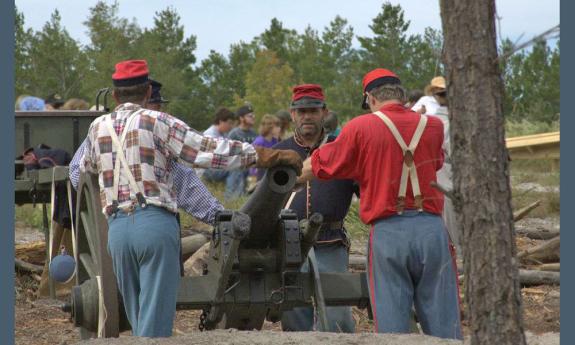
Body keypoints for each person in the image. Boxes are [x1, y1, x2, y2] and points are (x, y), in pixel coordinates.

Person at [78, 59, 302, 337]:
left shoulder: (97, 127)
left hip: (117, 230)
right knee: (156, 323)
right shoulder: (157, 121)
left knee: (137, 318)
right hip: (154, 224)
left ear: (114, 96)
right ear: (148, 92)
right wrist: (269, 155)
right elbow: (208, 150)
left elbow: (82, 172)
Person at [298, 69, 462, 339]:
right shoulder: (433, 126)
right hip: (432, 229)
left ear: (370, 99)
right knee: (445, 322)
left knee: (392, 324)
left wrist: (293, 175)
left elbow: (318, 165)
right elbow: (437, 163)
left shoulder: (360, 127)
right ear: (402, 95)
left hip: (389, 231)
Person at [276, 84, 357, 333]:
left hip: (330, 243)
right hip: (288, 244)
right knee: (293, 316)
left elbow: (365, 189)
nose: (307, 116)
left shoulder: (342, 148)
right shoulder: (279, 151)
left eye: (313, 110)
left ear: (324, 112)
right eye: (301, 111)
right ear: (292, 114)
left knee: (337, 318)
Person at [226, 104, 258, 199]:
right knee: (237, 171)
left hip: (251, 168)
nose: (253, 117)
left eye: (253, 115)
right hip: (236, 168)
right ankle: (233, 198)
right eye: (250, 115)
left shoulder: (254, 134)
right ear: (241, 118)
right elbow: (229, 155)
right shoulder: (234, 134)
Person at [201, 107, 237, 185]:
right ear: (221, 121)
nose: (231, 126)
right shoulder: (210, 135)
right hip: (208, 170)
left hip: (217, 166)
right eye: (229, 123)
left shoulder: (224, 134)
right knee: (235, 167)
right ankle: (232, 195)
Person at [252, 114, 281, 180]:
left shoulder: (275, 141)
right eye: (277, 126)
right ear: (270, 128)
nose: (279, 128)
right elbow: (253, 161)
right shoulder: (259, 142)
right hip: (258, 175)